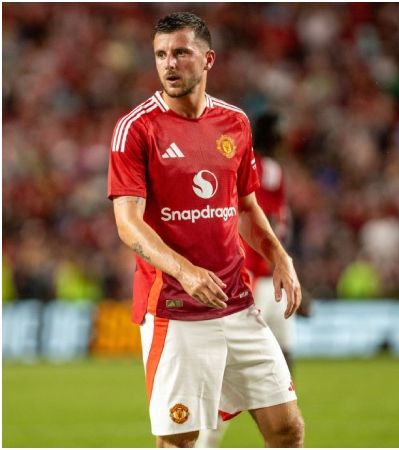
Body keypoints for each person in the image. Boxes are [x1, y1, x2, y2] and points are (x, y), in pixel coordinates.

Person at [108, 12, 304, 448]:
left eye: (180, 52)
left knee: (287, 429)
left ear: (207, 59)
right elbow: (128, 223)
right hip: (176, 309)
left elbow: (248, 207)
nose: (169, 63)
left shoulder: (235, 123)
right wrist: (187, 272)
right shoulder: (136, 129)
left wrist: (279, 256)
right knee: (181, 440)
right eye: (160, 54)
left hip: (237, 302)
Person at [195, 112, 310, 448]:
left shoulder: (264, 168)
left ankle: (265, 426)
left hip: (267, 279)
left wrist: (290, 271)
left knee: (280, 366)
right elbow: (262, 220)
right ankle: (208, 436)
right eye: (281, 133)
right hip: (252, 281)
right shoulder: (260, 168)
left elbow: (273, 227)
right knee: (247, 369)